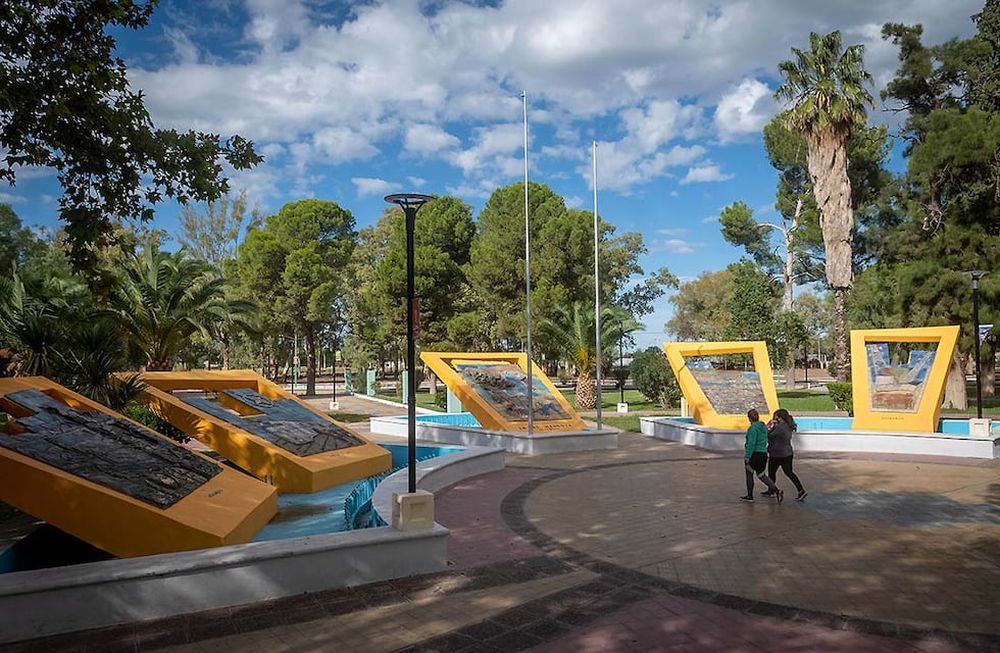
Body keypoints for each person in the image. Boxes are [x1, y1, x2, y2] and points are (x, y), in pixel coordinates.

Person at [763, 408, 807, 501]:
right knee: (789, 472)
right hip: (787, 453)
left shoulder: (779, 427)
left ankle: (772, 490)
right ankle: (800, 490)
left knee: (772, 472)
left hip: (777, 454)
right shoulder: (788, 426)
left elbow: (768, 434)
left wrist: (769, 425)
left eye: (775, 416)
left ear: (779, 417)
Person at [741, 408, 782, 503]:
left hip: (754, 454)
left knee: (749, 474)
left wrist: (747, 456)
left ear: (749, 418)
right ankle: (777, 490)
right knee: (762, 475)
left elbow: (751, 443)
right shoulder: (763, 427)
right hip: (763, 454)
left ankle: (750, 496)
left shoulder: (752, 429)